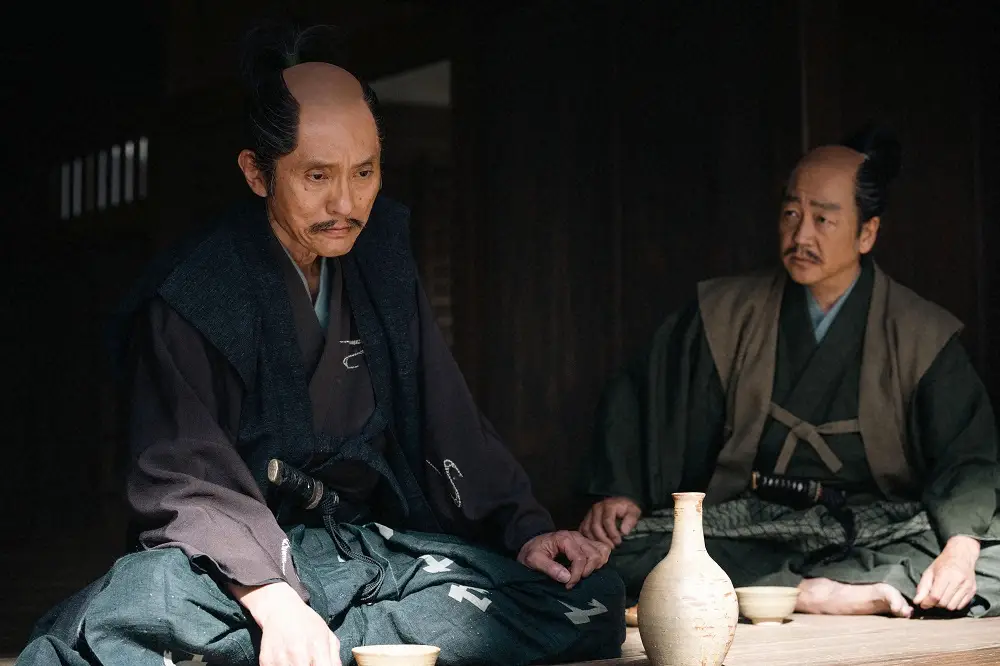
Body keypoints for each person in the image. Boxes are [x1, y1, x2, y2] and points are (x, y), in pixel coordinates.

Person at [18, 25, 624, 666]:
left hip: (366, 552)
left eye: (364, 172)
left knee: (589, 597)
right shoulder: (198, 292)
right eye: (316, 176)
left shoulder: (379, 257)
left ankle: (309, 646)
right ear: (257, 173)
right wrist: (274, 600)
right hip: (241, 571)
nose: (346, 203)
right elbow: (182, 474)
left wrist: (525, 530)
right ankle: (340, 639)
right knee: (146, 600)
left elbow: (447, 418)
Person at [581, 125, 1000, 621]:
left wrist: (960, 551)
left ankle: (784, 591)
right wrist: (623, 490)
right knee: (617, 552)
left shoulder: (920, 333)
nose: (801, 236)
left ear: (867, 233)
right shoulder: (725, 313)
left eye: (823, 219)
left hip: (874, 527)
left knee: (985, 559)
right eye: (791, 214)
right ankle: (813, 593)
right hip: (749, 523)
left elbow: (968, 455)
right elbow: (646, 398)